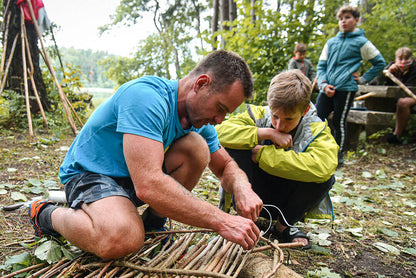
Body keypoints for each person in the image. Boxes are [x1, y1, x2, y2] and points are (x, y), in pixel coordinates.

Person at [29, 50, 263, 260]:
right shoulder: (147, 98)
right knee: (121, 238)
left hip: (131, 178)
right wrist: (223, 221)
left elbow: (225, 167)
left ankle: (153, 226)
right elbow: (149, 184)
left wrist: (244, 188)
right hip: (90, 175)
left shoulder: (199, 122)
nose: (220, 119)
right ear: (201, 84)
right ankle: (46, 214)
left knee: (197, 148)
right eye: (220, 108)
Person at [215, 70, 338, 249]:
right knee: (235, 146)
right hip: (252, 194)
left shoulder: (315, 128)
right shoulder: (257, 114)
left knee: (326, 177)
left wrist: (262, 155)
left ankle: (284, 226)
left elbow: (323, 166)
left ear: (305, 110)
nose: (279, 125)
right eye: (275, 116)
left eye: (289, 119)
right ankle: (244, 217)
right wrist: (265, 133)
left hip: (287, 199)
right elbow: (219, 133)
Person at [315, 5, 386, 167]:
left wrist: (363, 79)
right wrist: (323, 84)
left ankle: (337, 156)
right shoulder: (331, 42)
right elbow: (321, 66)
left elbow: (379, 63)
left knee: (339, 122)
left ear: (356, 20)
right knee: (316, 118)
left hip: (346, 89)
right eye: (340, 19)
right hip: (327, 88)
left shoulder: (362, 43)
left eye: (347, 17)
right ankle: (316, 150)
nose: (343, 21)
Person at [382, 47, 416, 144]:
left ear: (412, 59)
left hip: (412, 95)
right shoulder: (391, 66)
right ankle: (378, 136)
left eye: (406, 59)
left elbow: (409, 89)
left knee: (403, 102)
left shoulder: (414, 68)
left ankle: (396, 136)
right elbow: (376, 82)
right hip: (395, 96)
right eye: (400, 59)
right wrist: (389, 72)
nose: (403, 62)